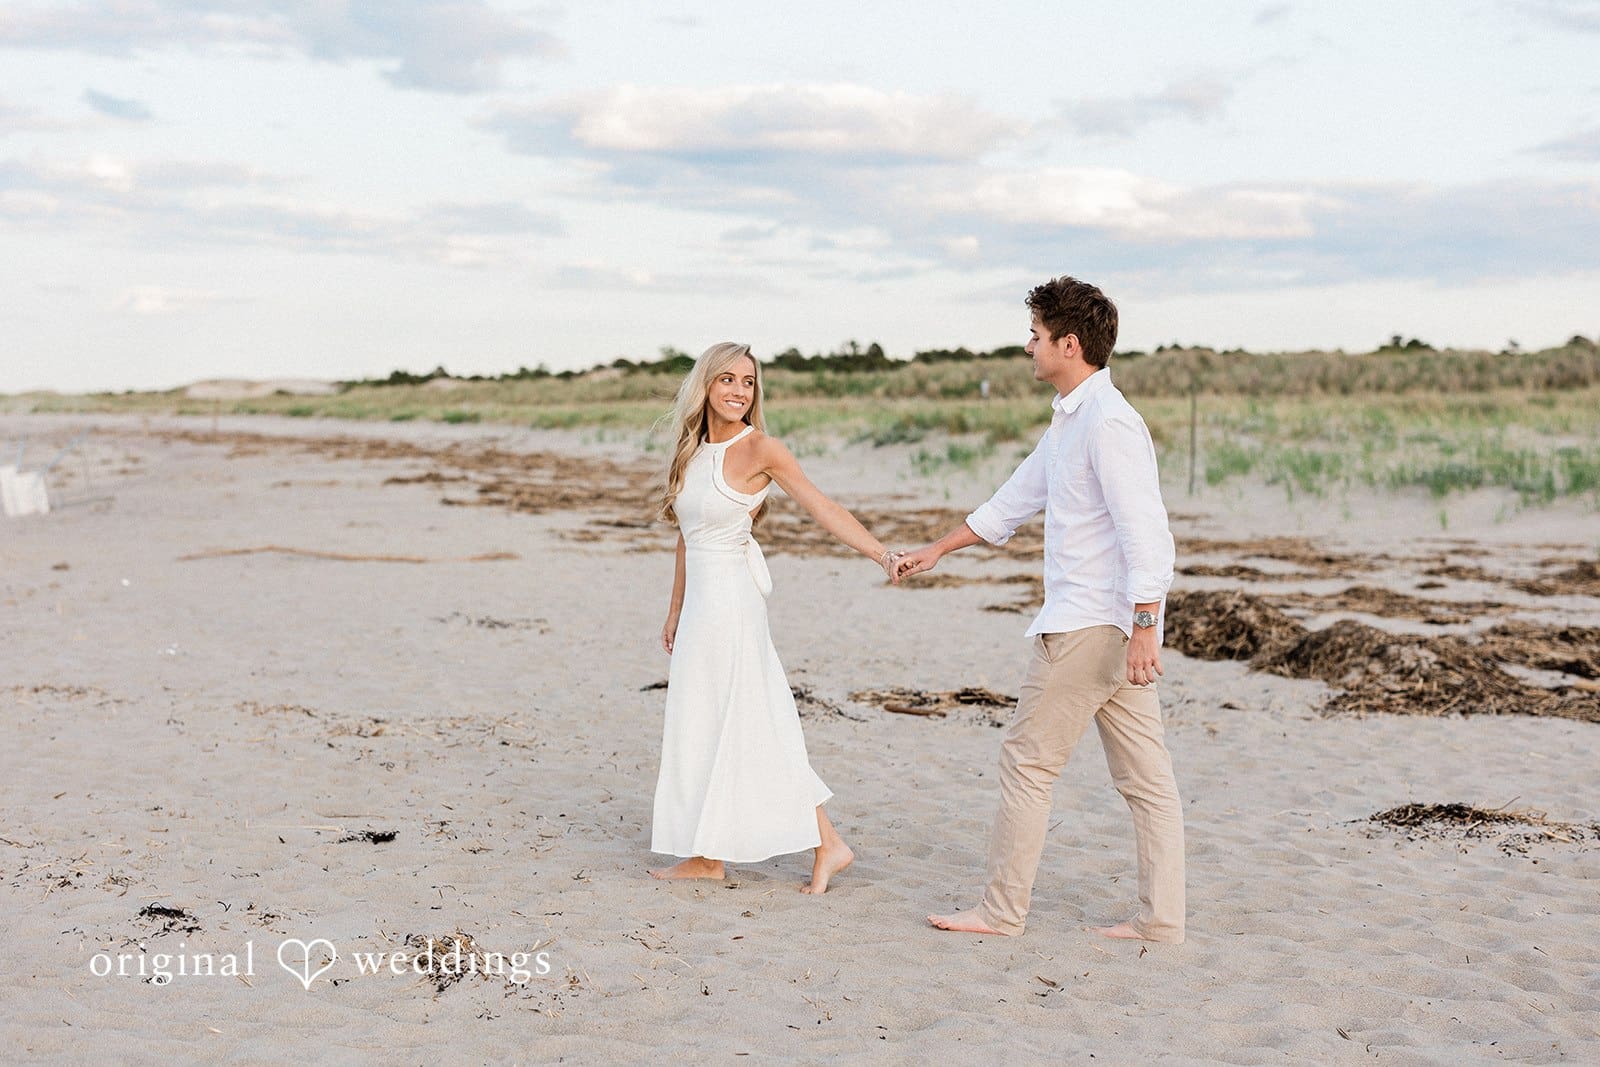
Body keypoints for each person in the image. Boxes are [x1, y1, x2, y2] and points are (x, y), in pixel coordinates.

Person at [894, 276, 1185, 943]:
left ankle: (1000, 911)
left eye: (1036, 335)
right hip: (1107, 626)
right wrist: (939, 547)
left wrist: (1145, 627)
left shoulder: (1109, 424)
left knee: (1027, 763)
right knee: (1147, 779)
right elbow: (1011, 502)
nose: (1028, 345)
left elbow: (1147, 533)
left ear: (1069, 344)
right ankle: (1161, 918)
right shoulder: (1070, 420)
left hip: (1091, 626)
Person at [650, 342, 900, 894]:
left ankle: (826, 843)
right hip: (699, 611)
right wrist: (673, 610)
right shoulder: (691, 452)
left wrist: (881, 553)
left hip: (734, 607)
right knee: (701, 720)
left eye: (749, 382)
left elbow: (823, 506)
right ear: (706, 386)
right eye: (728, 380)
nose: (740, 391)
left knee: (752, 721)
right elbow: (685, 539)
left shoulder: (762, 448)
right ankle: (706, 856)